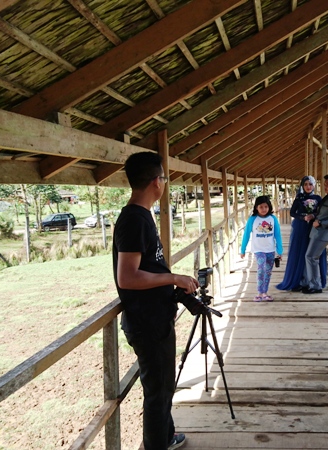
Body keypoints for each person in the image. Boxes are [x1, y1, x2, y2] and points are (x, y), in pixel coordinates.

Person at [113, 151, 199, 450]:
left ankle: (166, 436)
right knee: (157, 392)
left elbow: (147, 266)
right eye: (164, 178)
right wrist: (174, 278)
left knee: (163, 387)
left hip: (155, 318)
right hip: (147, 322)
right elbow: (127, 277)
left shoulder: (141, 216)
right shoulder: (134, 220)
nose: (163, 183)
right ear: (156, 182)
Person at [276, 175, 328, 292]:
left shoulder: (318, 198)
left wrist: (313, 215)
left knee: (312, 253)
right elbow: (292, 212)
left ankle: (312, 281)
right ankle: (300, 280)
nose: (308, 186)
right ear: (302, 186)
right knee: (300, 252)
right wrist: (303, 217)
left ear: (314, 185)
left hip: (313, 227)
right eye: (305, 184)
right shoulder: (299, 197)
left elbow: (322, 213)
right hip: (300, 227)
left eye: (310, 184)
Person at [240, 195, 284, 302]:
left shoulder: (273, 219)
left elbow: (277, 235)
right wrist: (243, 250)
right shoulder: (252, 219)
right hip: (258, 249)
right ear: (256, 207)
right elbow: (246, 235)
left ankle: (265, 292)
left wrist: (280, 251)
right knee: (261, 270)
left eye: (266, 207)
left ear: (269, 207)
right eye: (261, 207)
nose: (264, 209)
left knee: (268, 272)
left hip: (270, 249)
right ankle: (259, 292)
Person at [302, 174, 328, 294]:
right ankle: (311, 283)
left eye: (327, 184)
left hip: (323, 233)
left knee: (311, 257)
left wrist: (321, 222)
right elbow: (322, 213)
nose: (325, 187)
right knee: (310, 256)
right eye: (324, 184)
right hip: (317, 232)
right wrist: (313, 216)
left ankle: (315, 286)